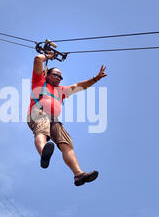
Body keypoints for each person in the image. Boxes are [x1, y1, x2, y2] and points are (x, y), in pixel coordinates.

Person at [27, 52, 107, 186]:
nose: (59, 78)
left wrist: (96, 78)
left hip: (54, 119)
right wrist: (48, 56)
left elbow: (79, 86)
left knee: (66, 143)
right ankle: (44, 154)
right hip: (38, 113)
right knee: (42, 128)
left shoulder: (61, 91)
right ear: (47, 74)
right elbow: (37, 59)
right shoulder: (39, 81)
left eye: (61, 76)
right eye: (56, 75)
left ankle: (78, 174)